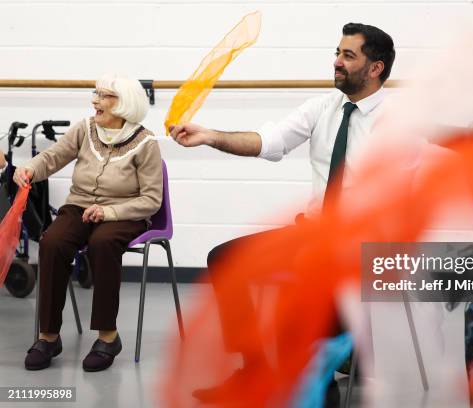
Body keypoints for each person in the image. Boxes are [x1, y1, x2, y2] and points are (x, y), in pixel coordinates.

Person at [170, 22, 395, 404]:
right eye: (337, 52)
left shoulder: (396, 121)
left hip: (365, 245)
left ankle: (322, 381)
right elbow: (269, 142)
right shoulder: (324, 107)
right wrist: (210, 136)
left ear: (375, 68)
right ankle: (252, 370)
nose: (336, 62)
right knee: (226, 258)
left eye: (348, 55)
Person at [15, 74, 163, 372]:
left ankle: (108, 336)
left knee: (103, 242)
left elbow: (151, 200)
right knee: (53, 242)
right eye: (95, 94)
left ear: (124, 104)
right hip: (79, 206)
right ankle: (48, 336)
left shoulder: (146, 142)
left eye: (104, 96)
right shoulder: (85, 129)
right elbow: (54, 156)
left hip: (125, 212)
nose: (95, 101)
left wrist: (108, 213)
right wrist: (30, 168)